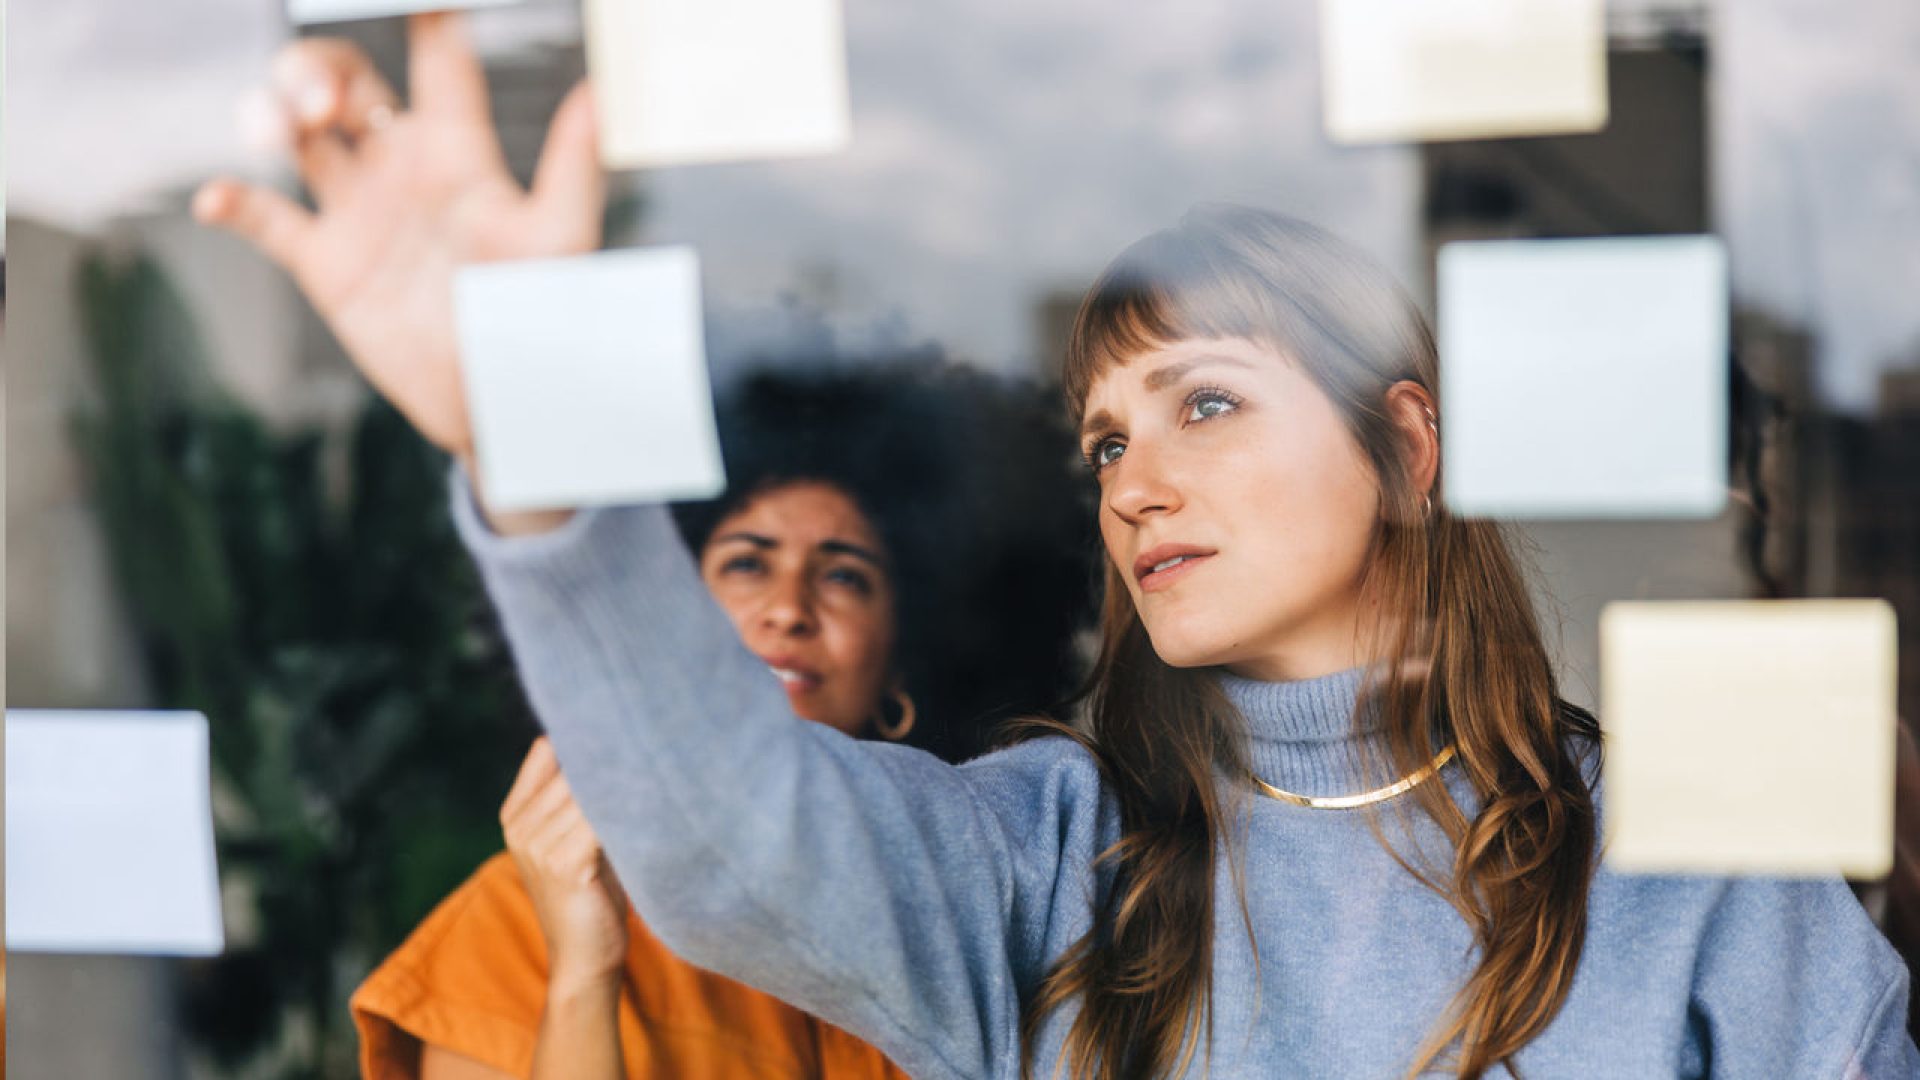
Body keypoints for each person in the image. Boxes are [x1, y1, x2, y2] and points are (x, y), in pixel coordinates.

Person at [198, 15, 1918, 1077]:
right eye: (1105, 437)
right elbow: (725, 828)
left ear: (1406, 446)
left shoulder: (1680, 871)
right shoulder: (1045, 862)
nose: (1135, 483)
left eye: (1207, 405)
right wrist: (530, 445)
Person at [347, 362, 1097, 1080]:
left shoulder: (973, 917)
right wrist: (583, 969)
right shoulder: (511, 923)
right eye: (747, 562)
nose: (788, 607)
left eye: (844, 575)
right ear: (668, 628)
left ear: (902, 673)